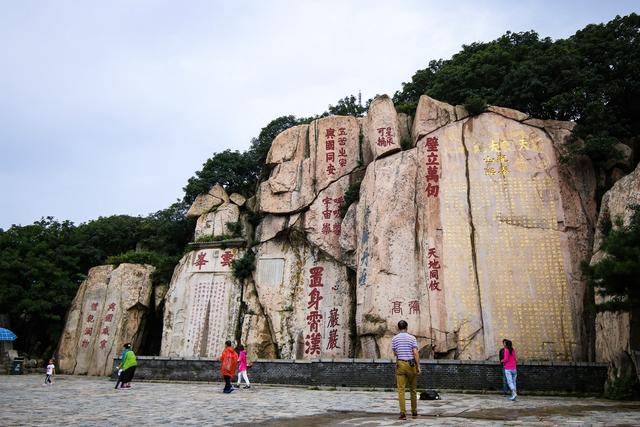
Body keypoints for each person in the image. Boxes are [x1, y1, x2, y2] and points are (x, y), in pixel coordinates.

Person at [391, 320, 421, 420]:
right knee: (413, 390)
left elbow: (395, 353)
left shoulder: (395, 339)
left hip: (400, 364)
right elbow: (415, 353)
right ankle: (414, 411)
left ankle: (403, 413)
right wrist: (418, 366)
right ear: (407, 327)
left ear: (398, 328)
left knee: (401, 390)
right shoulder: (412, 338)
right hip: (411, 364)